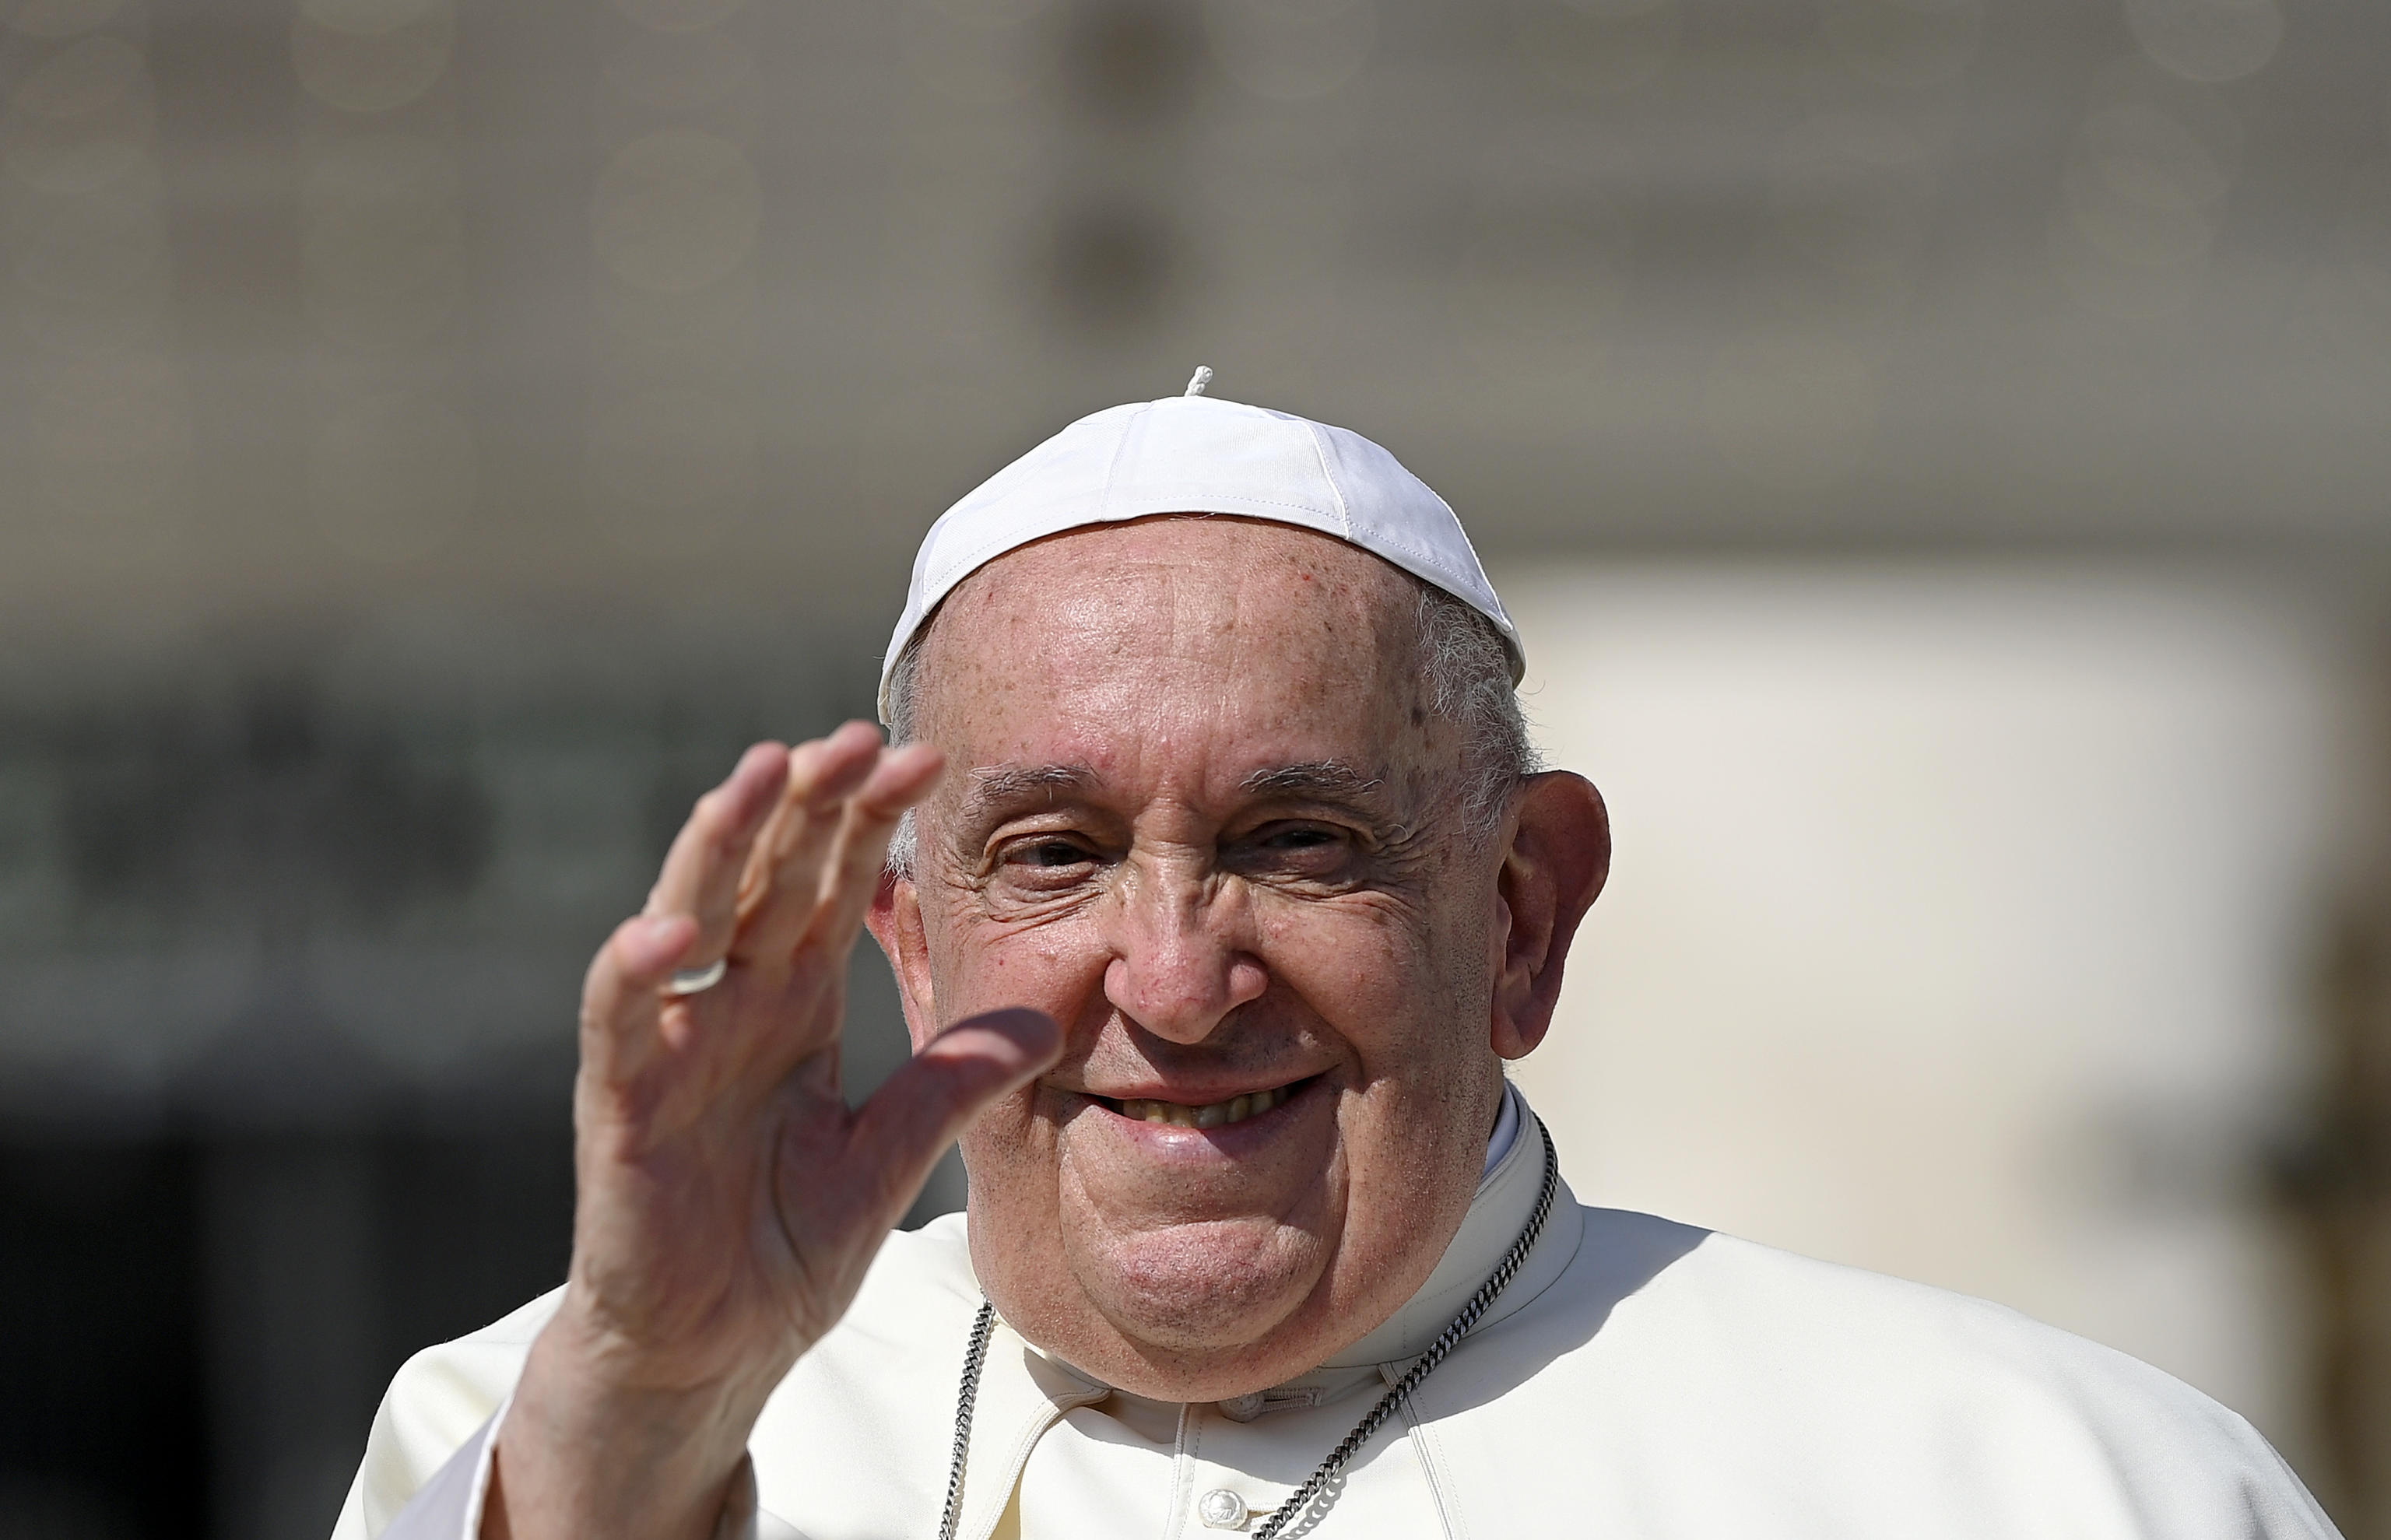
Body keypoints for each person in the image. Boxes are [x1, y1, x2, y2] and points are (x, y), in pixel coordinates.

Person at [335, 375, 2340, 1540]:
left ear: (1521, 914)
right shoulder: (551, 1444)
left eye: (1302, 845)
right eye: (1054, 855)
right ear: (914, 951)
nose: (1180, 979)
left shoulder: (2034, 1485)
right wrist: (648, 1423)